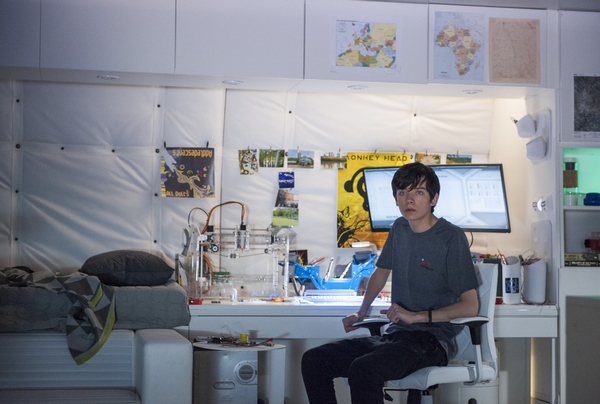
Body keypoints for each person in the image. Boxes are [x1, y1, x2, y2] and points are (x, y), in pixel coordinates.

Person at [301, 162, 479, 404]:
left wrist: (416, 317)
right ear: (395, 199)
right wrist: (361, 312)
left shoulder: (451, 237)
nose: (409, 200)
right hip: (396, 336)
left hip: (432, 341)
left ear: (434, 198)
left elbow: (470, 306)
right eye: (402, 193)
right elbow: (381, 271)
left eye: (418, 192)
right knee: (314, 360)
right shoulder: (400, 227)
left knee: (364, 369)